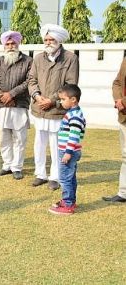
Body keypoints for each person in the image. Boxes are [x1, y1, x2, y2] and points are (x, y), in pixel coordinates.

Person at [28, 24, 79, 190]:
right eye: (46, 39)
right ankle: (40, 174)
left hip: (57, 109)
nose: (49, 42)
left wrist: (51, 100)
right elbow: (32, 80)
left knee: (57, 144)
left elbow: (70, 84)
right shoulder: (37, 58)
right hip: (39, 108)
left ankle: (55, 177)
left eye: (52, 39)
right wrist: (37, 96)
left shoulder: (70, 58)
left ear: (59, 41)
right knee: (39, 143)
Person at [0, 31, 32, 180]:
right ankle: (6, 165)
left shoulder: (28, 62)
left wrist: (12, 94)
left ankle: (17, 167)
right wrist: (2, 96)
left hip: (19, 105)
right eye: (8, 44)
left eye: (13, 43)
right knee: (4, 137)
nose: (11, 46)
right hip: (2, 106)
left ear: (18, 44)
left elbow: (29, 82)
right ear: (4, 46)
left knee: (19, 137)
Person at [49, 84, 86, 215]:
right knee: (70, 177)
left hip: (68, 152)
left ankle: (68, 204)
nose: (61, 102)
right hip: (67, 151)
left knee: (65, 178)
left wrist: (68, 152)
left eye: (63, 99)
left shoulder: (75, 116)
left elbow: (74, 135)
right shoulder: (72, 113)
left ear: (73, 99)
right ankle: (70, 201)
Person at [103, 57, 126, 203]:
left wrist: (123, 101)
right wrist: (118, 100)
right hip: (124, 115)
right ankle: (123, 192)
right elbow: (117, 82)